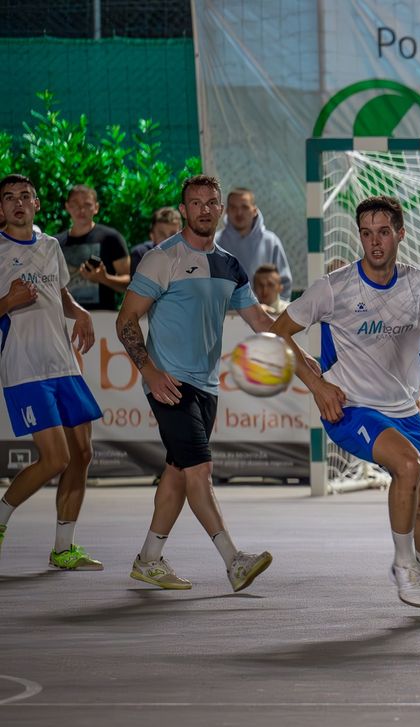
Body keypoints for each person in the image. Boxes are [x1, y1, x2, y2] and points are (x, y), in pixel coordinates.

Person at [270, 195, 420, 615]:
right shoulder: (335, 287)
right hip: (349, 407)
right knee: (407, 466)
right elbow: (277, 334)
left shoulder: (417, 283)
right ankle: (403, 566)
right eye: (367, 233)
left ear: (400, 235)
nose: (374, 242)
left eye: (383, 232)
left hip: (403, 409)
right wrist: (317, 385)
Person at [116, 174, 275, 592]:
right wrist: (149, 371)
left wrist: (304, 332)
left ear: (220, 209)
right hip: (168, 383)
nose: (205, 209)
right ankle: (233, 561)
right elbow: (126, 320)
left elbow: (261, 322)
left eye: (212, 202)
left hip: (207, 387)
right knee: (200, 470)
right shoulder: (161, 257)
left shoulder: (229, 265)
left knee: (176, 473)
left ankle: (148, 559)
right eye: (196, 202)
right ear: (183, 210)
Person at [0, 174, 103, 570]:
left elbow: (59, 293)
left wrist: (79, 312)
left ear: (37, 204)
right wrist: (7, 300)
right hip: (25, 368)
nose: (18, 203)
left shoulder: (50, 245)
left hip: (63, 364)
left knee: (82, 453)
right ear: (2, 209)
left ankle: (63, 548)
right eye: (9, 198)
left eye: (25, 196)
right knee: (56, 458)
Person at [55, 184, 130, 311]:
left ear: (96, 207)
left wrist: (104, 279)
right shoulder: (55, 243)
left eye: (87, 204)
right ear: (67, 206)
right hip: (65, 319)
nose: (81, 209)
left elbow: (131, 283)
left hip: (103, 319)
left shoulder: (111, 238)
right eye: (75, 204)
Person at [215, 187, 293, 300]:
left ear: (254, 210)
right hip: (225, 316)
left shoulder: (271, 242)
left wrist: (276, 312)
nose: (239, 213)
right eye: (233, 207)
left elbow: (284, 284)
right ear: (226, 211)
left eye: (245, 207)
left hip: (266, 315)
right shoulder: (215, 243)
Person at [129, 207, 183, 278]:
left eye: (172, 234)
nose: (167, 240)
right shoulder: (141, 255)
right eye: (161, 234)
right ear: (152, 236)